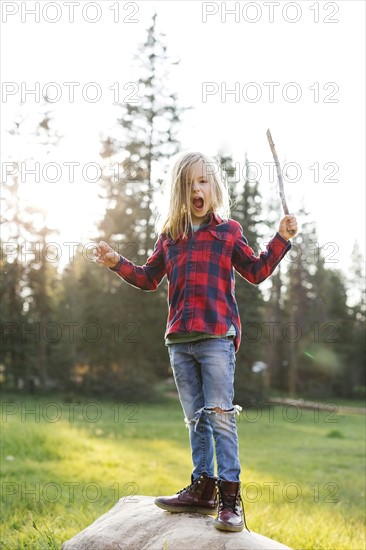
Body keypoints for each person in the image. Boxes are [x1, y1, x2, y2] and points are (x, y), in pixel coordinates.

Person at [94, 151, 298, 532]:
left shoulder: (228, 232)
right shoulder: (171, 237)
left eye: (203, 181)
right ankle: (202, 488)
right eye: (189, 184)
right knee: (195, 419)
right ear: (179, 192)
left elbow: (255, 271)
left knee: (220, 416)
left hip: (217, 337)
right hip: (179, 341)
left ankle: (230, 499)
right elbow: (147, 277)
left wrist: (280, 239)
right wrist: (115, 262)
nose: (196, 189)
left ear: (214, 187)